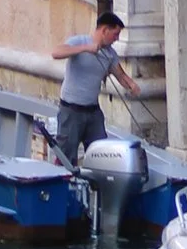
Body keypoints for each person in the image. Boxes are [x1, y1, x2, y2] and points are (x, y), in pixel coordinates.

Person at [49, 9, 140, 168]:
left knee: (101, 154)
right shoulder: (79, 41)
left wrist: (131, 85)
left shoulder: (110, 54)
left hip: (93, 112)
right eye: (115, 34)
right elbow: (56, 53)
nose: (116, 39)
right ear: (104, 30)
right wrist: (85, 48)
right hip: (71, 110)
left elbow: (120, 75)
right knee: (65, 155)